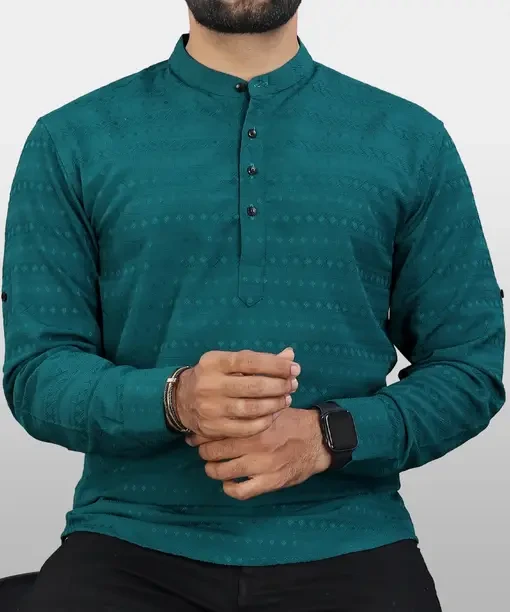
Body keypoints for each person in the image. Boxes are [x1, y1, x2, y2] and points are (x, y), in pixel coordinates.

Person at [2, 1, 505, 610]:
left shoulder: (409, 140)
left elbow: (470, 368)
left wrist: (328, 436)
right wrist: (173, 399)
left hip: (350, 534)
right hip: (129, 536)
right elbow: (36, 372)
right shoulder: (71, 139)